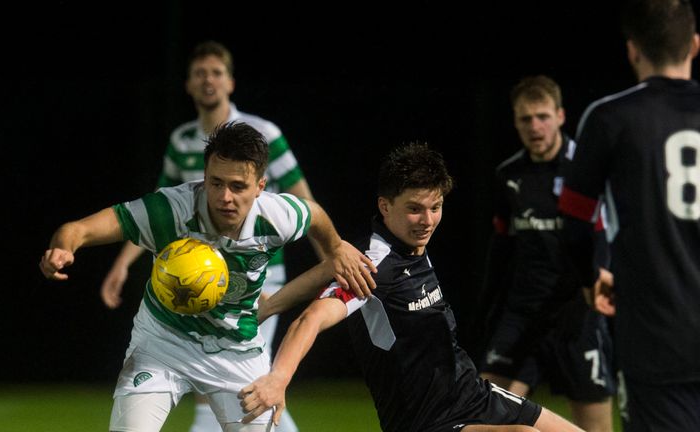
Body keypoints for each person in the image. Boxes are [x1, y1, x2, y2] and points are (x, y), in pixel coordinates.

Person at [40, 122, 376, 432]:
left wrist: (335, 247)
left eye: (237, 186)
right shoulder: (170, 210)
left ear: (260, 186)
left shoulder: (277, 216)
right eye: (215, 182)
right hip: (162, 343)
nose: (224, 196)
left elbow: (314, 214)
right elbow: (79, 229)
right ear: (204, 175)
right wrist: (63, 248)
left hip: (237, 351)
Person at [238, 142, 584, 432]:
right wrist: (279, 377)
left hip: (475, 395)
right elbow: (312, 318)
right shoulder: (374, 265)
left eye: (436, 207)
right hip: (428, 423)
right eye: (415, 209)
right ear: (384, 206)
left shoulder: (405, 246)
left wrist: (271, 305)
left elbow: (331, 265)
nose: (428, 220)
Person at [99, 40, 316, 432]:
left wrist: (329, 258)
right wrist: (121, 265)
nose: (208, 80)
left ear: (231, 82)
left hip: (253, 276)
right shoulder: (182, 141)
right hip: (191, 271)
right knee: (251, 388)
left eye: (216, 72)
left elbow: (305, 203)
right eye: (200, 73)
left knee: (244, 384)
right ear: (188, 84)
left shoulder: (264, 133)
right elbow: (157, 215)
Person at [558, 0, 700, 430]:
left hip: (658, 335)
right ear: (694, 45)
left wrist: (590, 279)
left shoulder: (610, 118)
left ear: (632, 50)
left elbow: (574, 223)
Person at [478, 76, 615, 432]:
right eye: (525, 119)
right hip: (522, 315)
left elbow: (605, 238)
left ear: (560, 116)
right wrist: (487, 310)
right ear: (515, 121)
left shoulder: (586, 170)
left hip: (577, 317)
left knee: (595, 430)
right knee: (483, 415)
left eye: (542, 116)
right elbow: (501, 247)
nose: (535, 127)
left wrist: (597, 287)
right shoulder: (509, 175)